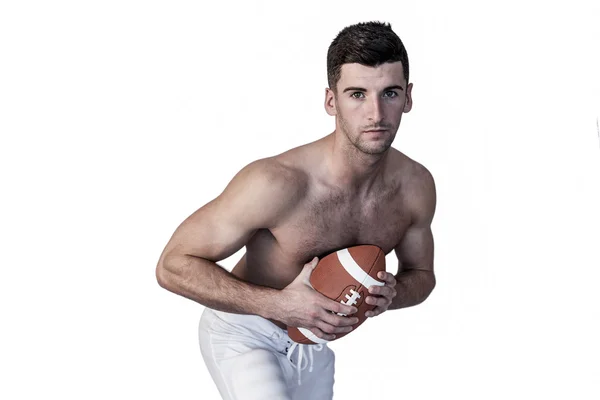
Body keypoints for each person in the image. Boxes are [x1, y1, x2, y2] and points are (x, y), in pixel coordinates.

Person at [156, 20, 436, 400]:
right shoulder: (277, 182)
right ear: (330, 101)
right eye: (357, 94)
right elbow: (172, 265)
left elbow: (422, 275)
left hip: (311, 346)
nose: (375, 113)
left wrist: (393, 295)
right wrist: (279, 304)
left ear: (408, 98)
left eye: (389, 93)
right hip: (243, 331)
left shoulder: (415, 187)